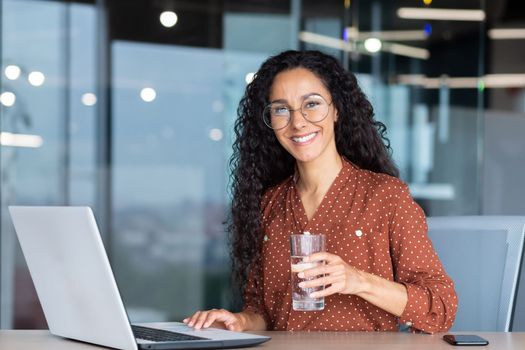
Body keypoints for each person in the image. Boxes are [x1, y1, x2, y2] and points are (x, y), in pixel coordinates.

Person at [183, 50, 457, 333]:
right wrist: (238, 322)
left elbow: (440, 306)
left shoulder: (386, 196)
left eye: (311, 104)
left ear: (337, 109)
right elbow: (263, 311)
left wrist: (358, 281)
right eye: (281, 109)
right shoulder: (270, 204)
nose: (297, 122)